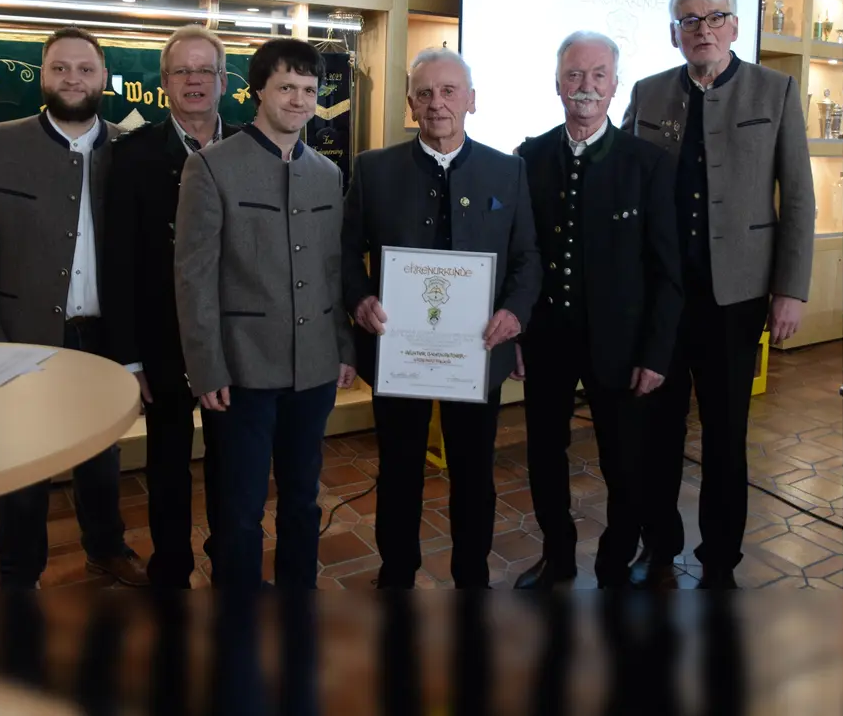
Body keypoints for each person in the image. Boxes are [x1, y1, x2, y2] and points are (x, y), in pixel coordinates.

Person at [622, 0, 815, 588]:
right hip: (661, 297)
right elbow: (623, 184)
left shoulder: (776, 89)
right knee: (657, 429)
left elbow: (799, 198)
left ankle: (720, 560)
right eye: (689, 20)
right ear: (673, 32)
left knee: (726, 434)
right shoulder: (648, 93)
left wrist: (791, 289)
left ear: (734, 26)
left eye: (714, 18)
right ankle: (659, 544)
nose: (702, 30)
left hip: (737, 297)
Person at [0, 25, 149, 589]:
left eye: (85, 69)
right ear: (42, 75)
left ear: (104, 77)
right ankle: (19, 575)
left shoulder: (130, 150)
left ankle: (105, 550)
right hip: (19, 338)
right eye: (60, 68)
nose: (72, 79)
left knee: (101, 456)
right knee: (22, 463)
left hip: (103, 338)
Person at [342, 46, 541, 589]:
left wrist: (515, 312)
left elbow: (527, 257)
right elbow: (346, 252)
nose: (437, 104)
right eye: (425, 93)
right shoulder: (373, 169)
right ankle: (397, 574)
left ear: (471, 100)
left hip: (478, 353)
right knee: (399, 470)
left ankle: (471, 577)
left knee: (474, 474)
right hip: (397, 353)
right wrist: (359, 299)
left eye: (449, 91)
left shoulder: (509, 170)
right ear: (410, 104)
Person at [174, 38, 356, 589]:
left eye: (309, 90)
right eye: (286, 87)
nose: (299, 100)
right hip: (242, 371)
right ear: (258, 90)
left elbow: (331, 269)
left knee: (303, 498)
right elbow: (194, 279)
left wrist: (344, 347)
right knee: (240, 507)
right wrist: (206, 368)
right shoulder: (210, 167)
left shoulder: (327, 173)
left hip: (314, 369)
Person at [512, 31, 683, 589]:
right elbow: (519, 255)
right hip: (547, 339)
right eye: (574, 75)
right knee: (544, 453)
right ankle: (558, 556)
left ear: (615, 86)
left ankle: (615, 562)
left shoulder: (647, 163)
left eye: (597, 76)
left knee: (624, 460)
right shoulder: (529, 158)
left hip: (623, 346)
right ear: (557, 83)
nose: (585, 86)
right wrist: (517, 330)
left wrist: (656, 354)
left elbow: (667, 271)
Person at [102, 24, 227, 589]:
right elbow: (118, 260)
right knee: (168, 462)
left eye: (204, 70)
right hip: (161, 340)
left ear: (224, 81)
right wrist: (129, 356)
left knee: (233, 461)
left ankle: (228, 562)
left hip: (232, 338)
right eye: (182, 71)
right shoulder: (131, 155)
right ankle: (171, 570)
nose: (193, 81)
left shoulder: (249, 146)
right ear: (164, 82)